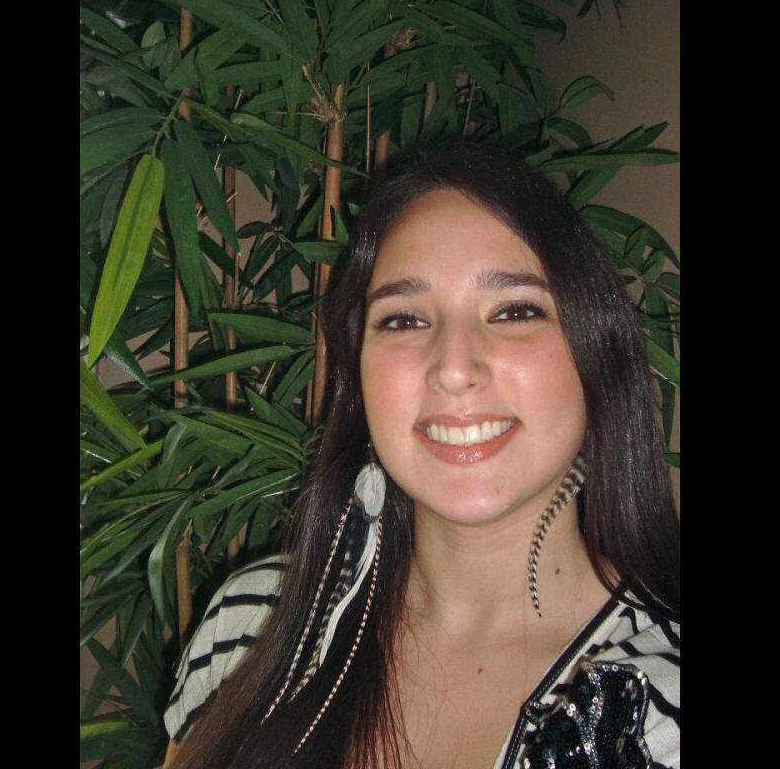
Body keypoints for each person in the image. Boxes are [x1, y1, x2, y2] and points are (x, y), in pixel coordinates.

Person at [162, 143, 680, 769]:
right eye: (404, 320)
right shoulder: (250, 627)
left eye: (514, 311)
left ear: (597, 354)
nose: (454, 369)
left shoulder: (654, 703)